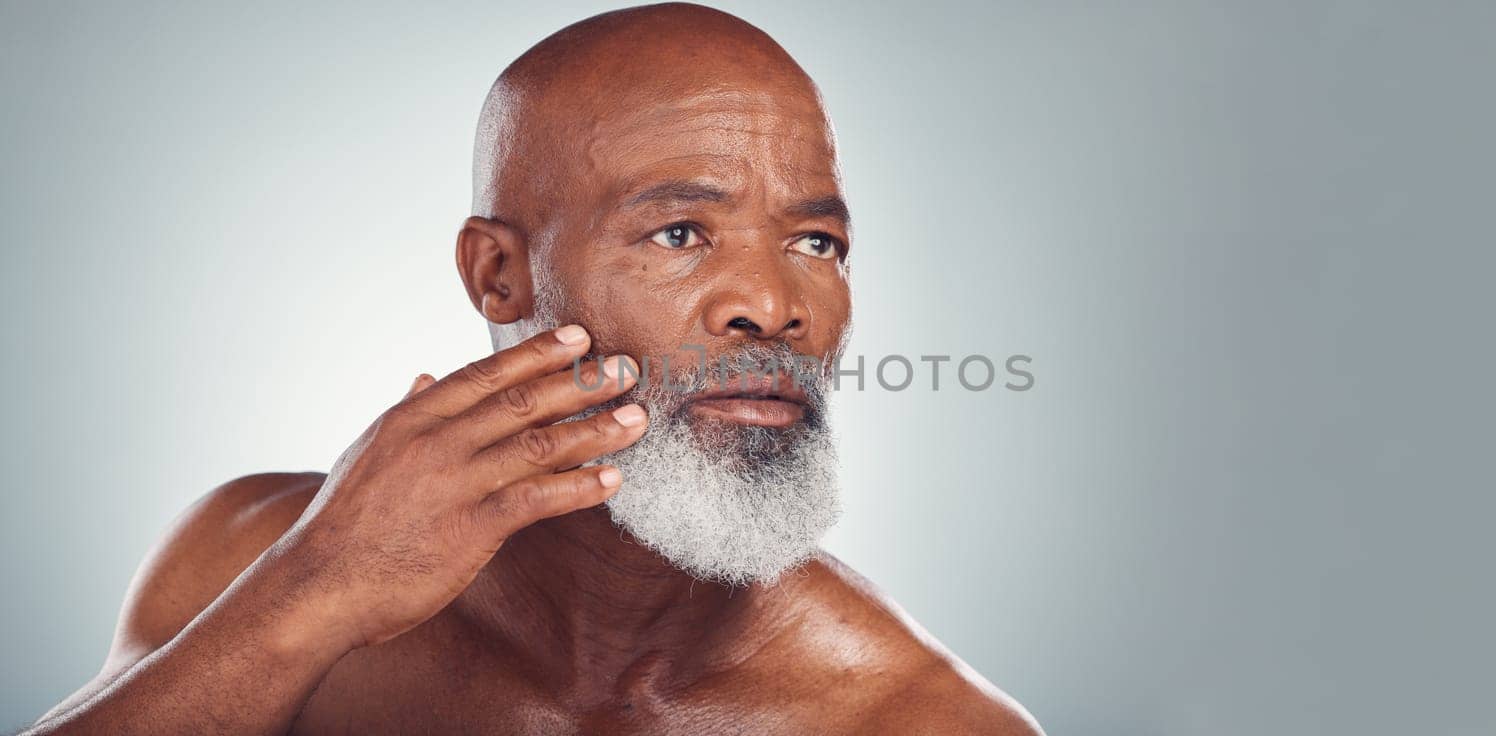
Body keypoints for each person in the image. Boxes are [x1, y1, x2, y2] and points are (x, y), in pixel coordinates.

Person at [26, 4, 1042, 733]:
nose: (772, 306)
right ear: (500, 274)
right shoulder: (248, 559)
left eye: (817, 244)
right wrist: (313, 595)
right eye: (681, 230)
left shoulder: (919, 717)